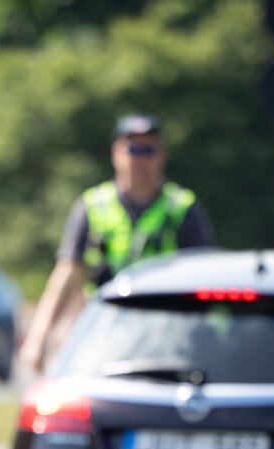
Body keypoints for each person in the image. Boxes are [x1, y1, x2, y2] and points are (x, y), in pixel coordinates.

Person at [18, 113, 216, 372]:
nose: (141, 158)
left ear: (162, 155)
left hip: (166, 336)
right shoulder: (93, 205)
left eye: (149, 149)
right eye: (133, 149)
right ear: (116, 154)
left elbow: (206, 278)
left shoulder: (181, 207)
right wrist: (38, 338)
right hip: (105, 334)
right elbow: (66, 274)